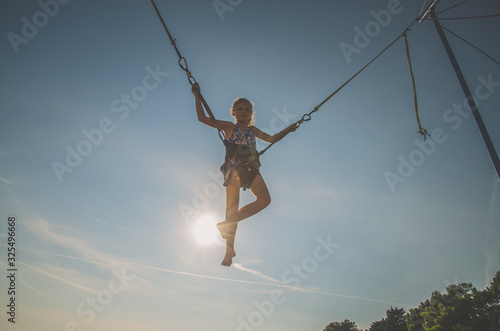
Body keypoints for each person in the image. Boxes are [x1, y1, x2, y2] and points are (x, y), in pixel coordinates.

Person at [192, 83, 297, 266]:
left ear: (251, 114)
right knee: (232, 206)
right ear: (233, 112)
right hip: (233, 168)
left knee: (265, 200)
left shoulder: (253, 131)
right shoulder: (228, 126)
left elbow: (272, 139)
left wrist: (288, 130)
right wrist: (197, 95)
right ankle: (229, 250)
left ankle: (226, 224)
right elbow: (202, 118)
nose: (243, 111)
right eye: (239, 108)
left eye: (247, 109)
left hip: (250, 169)